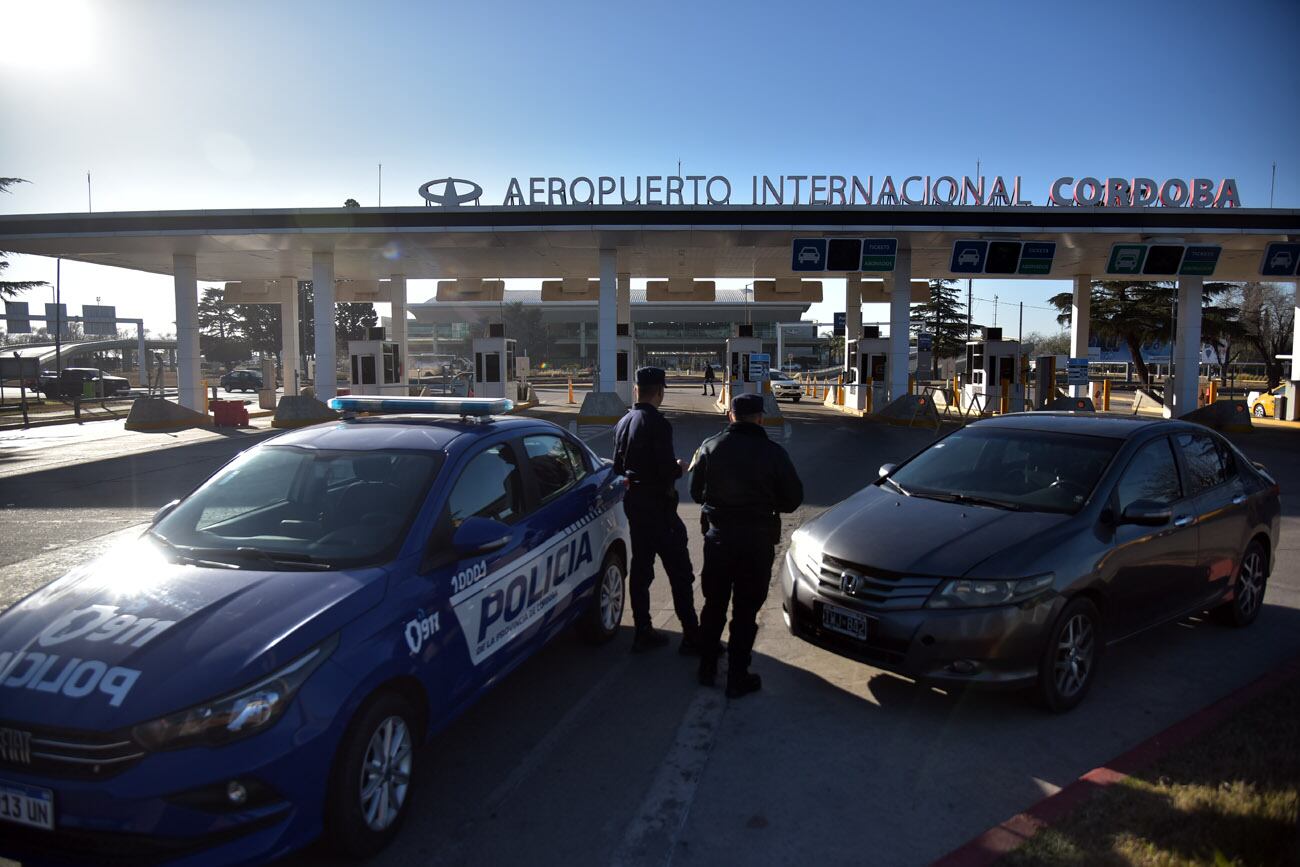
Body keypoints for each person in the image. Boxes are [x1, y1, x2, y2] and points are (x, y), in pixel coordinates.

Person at [689, 393, 803, 698]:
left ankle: (707, 667)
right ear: (760, 418)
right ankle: (737, 677)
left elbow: (695, 493)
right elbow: (793, 499)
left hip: (718, 538)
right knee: (745, 611)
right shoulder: (774, 453)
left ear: (730, 416)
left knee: (713, 605)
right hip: (756, 541)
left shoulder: (709, 447)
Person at [612, 367, 702, 653]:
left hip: (635, 508)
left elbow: (617, 467)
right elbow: (665, 471)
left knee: (641, 571)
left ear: (636, 390)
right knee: (680, 572)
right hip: (660, 511)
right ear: (660, 391)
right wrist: (678, 468)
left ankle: (643, 630)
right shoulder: (658, 424)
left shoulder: (624, 422)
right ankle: (691, 635)